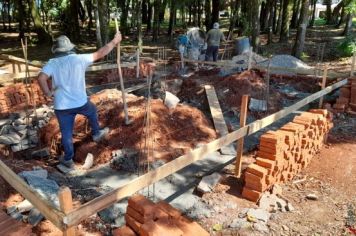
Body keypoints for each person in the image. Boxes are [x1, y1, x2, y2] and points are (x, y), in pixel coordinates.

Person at [38, 33, 122, 169]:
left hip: (62, 106)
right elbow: (101, 53)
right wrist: (114, 41)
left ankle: (68, 160)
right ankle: (96, 133)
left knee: (66, 134)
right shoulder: (79, 59)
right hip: (80, 102)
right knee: (92, 110)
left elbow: (41, 78)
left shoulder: (52, 63)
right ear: (69, 47)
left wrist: (48, 93)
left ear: (57, 50)